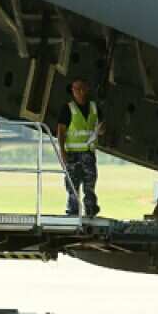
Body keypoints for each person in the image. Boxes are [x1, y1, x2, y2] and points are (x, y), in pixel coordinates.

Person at [57, 79, 104, 217]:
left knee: (90, 184)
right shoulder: (67, 108)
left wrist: (101, 130)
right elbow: (60, 131)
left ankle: (90, 210)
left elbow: (101, 125)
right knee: (73, 185)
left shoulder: (94, 108)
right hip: (72, 154)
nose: (80, 91)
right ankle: (73, 212)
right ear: (72, 91)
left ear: (87, 89)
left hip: (88, 154)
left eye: (82, 88)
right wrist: (62, 152)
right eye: (77, 89)